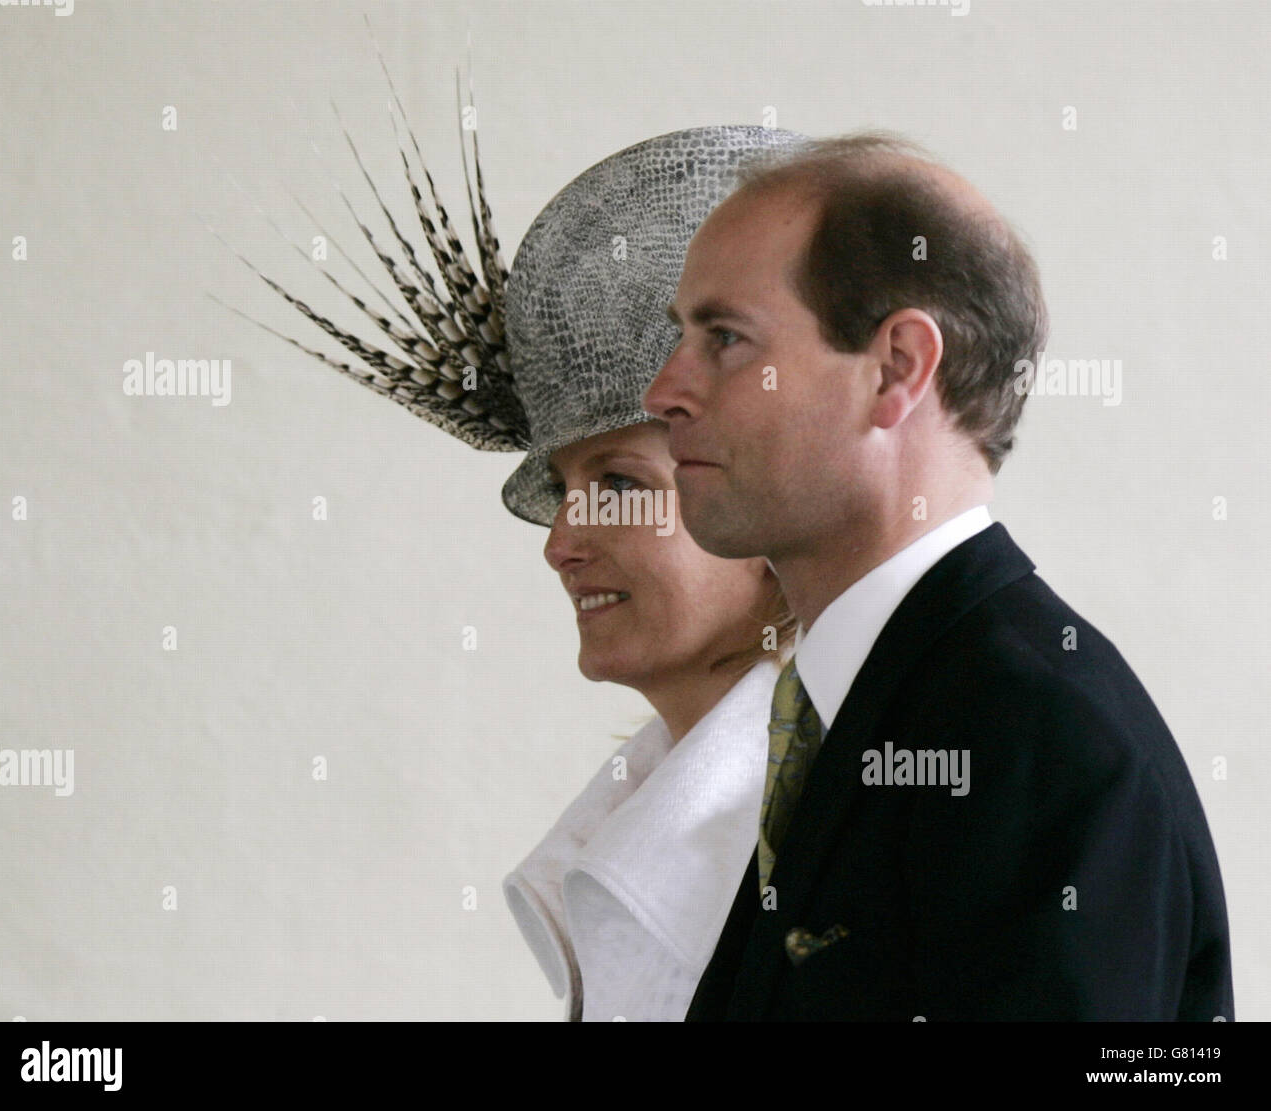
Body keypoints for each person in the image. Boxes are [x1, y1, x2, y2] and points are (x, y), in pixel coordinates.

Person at [219, 103, 807, 1019]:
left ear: (775, 501)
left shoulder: (842, 836)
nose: (560, 543)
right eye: (566, 489)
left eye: (617, 482)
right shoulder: (636, 820)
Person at [643, 131, 1235, 1020]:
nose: (664, 390)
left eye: (725, 338)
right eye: (680, 335)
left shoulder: (1041, 740)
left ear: (898, 368)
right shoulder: (871, 704)